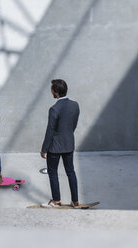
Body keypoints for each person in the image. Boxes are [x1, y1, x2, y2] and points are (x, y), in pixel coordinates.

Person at [40, 79, 80, 208]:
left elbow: (50, 131)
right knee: (71, 172)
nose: (51, 91)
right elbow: (73, 125)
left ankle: (56, 201)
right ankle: (75, 201)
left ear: (56, 92)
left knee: (53, 173)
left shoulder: (54, 109)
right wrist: (67, 135)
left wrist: (44, 149)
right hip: (69, 144)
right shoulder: (75, 105)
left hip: (55, 147)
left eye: (52, 89)